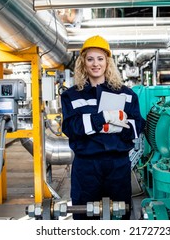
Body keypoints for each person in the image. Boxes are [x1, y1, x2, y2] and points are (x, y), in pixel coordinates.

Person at [61, 35, 146, 220]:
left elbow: (137, 125)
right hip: (86, 166)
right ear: (83, 63)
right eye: (90, 59)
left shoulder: (127, 95)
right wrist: (105, 118)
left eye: (100, 59)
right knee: (84, 217)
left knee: (120, 215)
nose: (95, 64)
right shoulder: (71, 96)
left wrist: (113, 127)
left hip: (118, 165)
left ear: (108, 62)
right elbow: (70, 127)